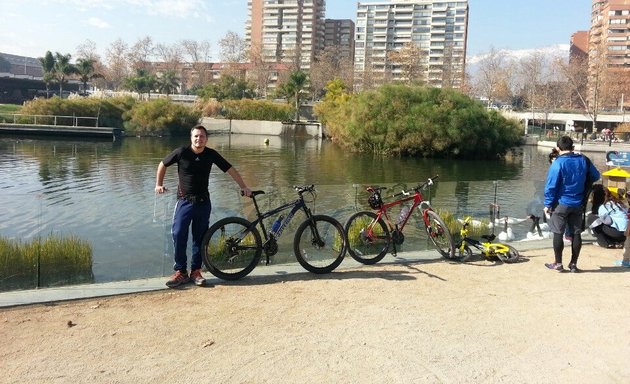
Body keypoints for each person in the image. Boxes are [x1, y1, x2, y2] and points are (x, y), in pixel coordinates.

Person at [155, 124, 252, 287]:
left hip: (203, 203)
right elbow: (162, 164)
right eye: (196, 136)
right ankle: (180, 272)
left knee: (200, 238)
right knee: (179, 233)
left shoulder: (211, 154)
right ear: (191, 138)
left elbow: (230, 169)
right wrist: (159, 184)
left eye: (202, 136)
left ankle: (196, 271)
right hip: (184, 202)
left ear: (206, 139)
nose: (199, 139)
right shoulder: (181, 152)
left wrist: (243, 186)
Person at [543, 135, 601, 273]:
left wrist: (547, 204)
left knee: (558, 232)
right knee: (576, 233)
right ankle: (573, 264)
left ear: (558, 148)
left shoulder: (557, 163)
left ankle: (558, 263)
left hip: (560, 204)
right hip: (578, 203)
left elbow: (551, 186)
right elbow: (596, 175)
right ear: (572, 147)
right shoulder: (583, 160)